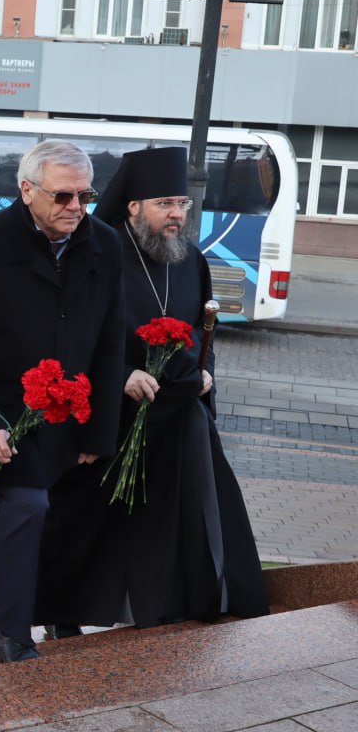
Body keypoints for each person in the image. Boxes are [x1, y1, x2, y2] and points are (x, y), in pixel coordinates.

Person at [36, 147, 269, 633]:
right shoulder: (96, 254)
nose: (177, 215)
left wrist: (206, 374)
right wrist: (119, 374)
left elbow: (204, 331)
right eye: (165, 204)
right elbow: (68, 334)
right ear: (134, 206)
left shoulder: (190, 260)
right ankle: (67, 614)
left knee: (170, 521)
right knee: (91, 521)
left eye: (182, 204)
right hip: (111, 414)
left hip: (177, 412)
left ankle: (166, 605)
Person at [0, 139, 125, 663]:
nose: (76, 207)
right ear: (27, 190)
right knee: (26, 504)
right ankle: (13, 635)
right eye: (63, 196)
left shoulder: (104, 244)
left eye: (84, 195)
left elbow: (111, 341)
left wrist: (98, 432)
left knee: (22, 515)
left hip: (70, 417)